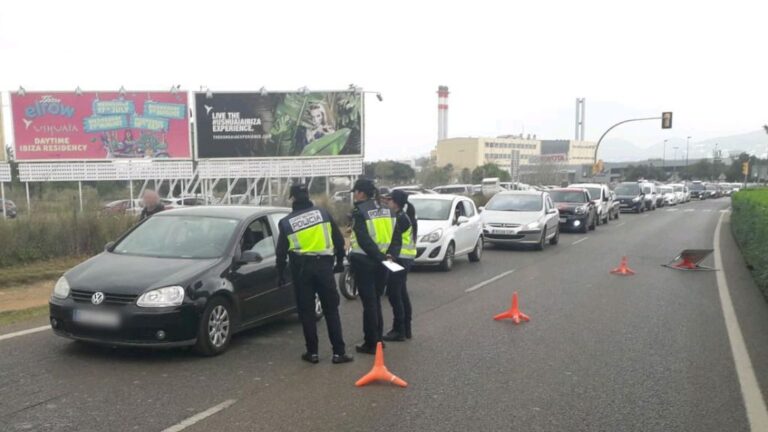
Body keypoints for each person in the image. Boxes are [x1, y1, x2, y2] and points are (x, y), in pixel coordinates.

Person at [275, 184, 353, 364]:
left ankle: (313, 353)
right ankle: (338, 353)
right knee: (331, 310)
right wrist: (340, 261)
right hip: (324, 267)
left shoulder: (286, 222)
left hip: (301, 271)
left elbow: (281, 253)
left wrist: (280, 274)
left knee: (307, 313)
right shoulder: (323, 213)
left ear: (292, 198)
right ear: (307, 195)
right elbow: (338, 239)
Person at [349, 179, 396, 354]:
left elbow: (364, 240)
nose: (354, 195)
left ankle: (371, 342)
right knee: (376, 300)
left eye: (356, 192)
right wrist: (386, 256)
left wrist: (378, 257)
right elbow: (395, 234)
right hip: (383, 261)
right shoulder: (387, 209)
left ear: (361, 193)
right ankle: (378, 340)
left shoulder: (360, 211)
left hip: (366, 261)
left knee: (369, 303)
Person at [382, 190, 417, 341]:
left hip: (399, 259)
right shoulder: (404, 216)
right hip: (404, 259)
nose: (387, 202)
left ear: (395, 203)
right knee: (401, 293)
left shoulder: (400, 219)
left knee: (394, 293)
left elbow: (391, 238)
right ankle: (406, 328)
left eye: (389, 200)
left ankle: (399, 330)